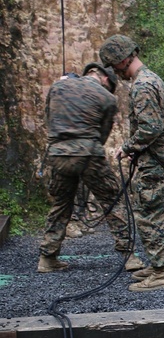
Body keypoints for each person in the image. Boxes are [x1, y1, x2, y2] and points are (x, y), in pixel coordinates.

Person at [37, 63, 143, 274]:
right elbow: (102, 135)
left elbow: (49, 119)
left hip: (58, 154)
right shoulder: (107, 98)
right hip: (89, 155)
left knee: (60, 204)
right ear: (105, 80)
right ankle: (129, 257)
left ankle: (47, 258)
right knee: (113, 201)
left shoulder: (57, 87)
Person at [100, 34, 164, 292]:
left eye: (114, 66)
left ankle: (161, 273)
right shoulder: (150, 79)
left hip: (154, 160)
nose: (115, 71)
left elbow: (150, 128)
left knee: (148, 215)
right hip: (155, 157)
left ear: (125, 59)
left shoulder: (142, 86)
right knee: (150, 213)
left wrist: (126, 148)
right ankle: (156, 264)